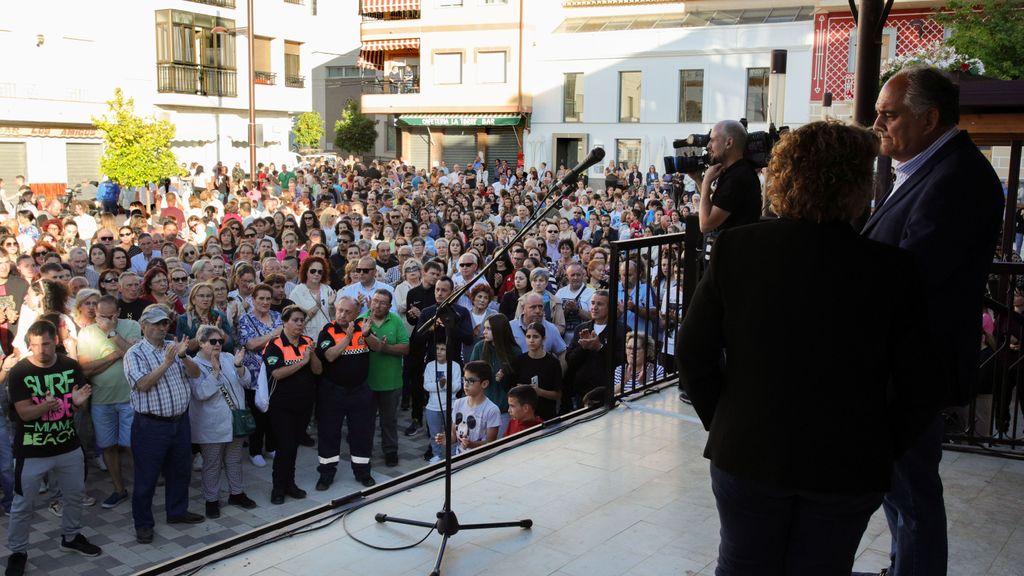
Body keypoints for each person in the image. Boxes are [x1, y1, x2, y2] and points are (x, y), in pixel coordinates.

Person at [677, 120, 937, 575]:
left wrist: (724, 421)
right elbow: (917, 383)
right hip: (846, 463)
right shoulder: (893, 270)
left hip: (748, 451)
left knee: (743, 566)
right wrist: (880, 445)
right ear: (859, 186)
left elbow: (693, 354)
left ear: (784, 178)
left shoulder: (738, 248)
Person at [861, 66, 1005, 576]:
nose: (878, 122)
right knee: (902, 492)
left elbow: (912, 275)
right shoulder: (929, 168)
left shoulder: (956, 178)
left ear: (931, 118)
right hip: (906, 364)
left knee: (912, 491)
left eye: (889, 113)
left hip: (914, 368)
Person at [5, 320, 100, 576]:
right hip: (32, 451)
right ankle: (18, 551)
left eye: (45, 344)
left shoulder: (69, 366)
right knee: (23, 504)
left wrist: (78, 403)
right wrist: (48, 406)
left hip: (67, 446)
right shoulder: (20, 372)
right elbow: (24, 413)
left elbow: (74, 402)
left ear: (55, 342)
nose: (40, 350)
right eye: (34, 345)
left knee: (75, 495)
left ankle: (71, 536)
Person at [124, 305, 204, 544]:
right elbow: (143, 384)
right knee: (146, 477)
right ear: (143, 325)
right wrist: (167, 362)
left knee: (180, 470)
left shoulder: (174, 347)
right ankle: (143, 523)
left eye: (165, 324)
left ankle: (177, 511)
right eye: (157, 323)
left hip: (179, 422)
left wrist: (182, 356)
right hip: (151, 425)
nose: (161, 328)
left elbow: (196, 373)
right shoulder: (135, 353)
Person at [77, 295, 140, 509]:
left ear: (118, 313)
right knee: (109, 447)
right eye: (101, 317)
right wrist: (115, 355)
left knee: (132, 445)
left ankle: (141, 488)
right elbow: (86, 369)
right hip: (101, 402)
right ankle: (119, 489)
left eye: (110, 317)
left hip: (128, 399)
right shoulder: (86, 333)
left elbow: (134, 354)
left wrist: (112, 333)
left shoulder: (131, 325)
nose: (104, 321)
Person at [188, 324, 256, 519]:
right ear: (201, 343)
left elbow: (246, 382)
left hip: (235, 421)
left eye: (220, 341)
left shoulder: (228, 358)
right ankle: (211, 500)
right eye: (213, 341)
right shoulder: (195, 364)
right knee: (212, 463)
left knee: (234, 460)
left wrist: (239, 366)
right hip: (211, 425)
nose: (218, 344)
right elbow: (200, 393)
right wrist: (215, 373)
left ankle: (237, 493)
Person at [262, 305, 321, 504]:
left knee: (294, 447)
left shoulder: (308, 342)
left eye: (302, 320)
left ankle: (290, 484)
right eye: (295, 320)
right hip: (282, 406)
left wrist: (311, 355)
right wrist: (302, 362)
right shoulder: (275, 345)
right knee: (284, 446)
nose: (299, 324)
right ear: (285, 322)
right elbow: (277, 373)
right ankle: (278, 488)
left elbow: (318, 370)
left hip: (304, 404)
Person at [315, 296, 376, 489]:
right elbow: (330, 356)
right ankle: (326, 474)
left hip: (359, 390)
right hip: (333, 391)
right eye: (339, 310)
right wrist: (348, 338)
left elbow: (377, 348)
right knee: (329, 432)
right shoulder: (327, 331)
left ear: (356, 314)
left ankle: (362, 472)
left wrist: (367, 335)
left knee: (361, 432)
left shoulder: (363, 327)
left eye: (347, 311)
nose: (342, 314)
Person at [361, 289, 410, 467]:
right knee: (365, 421)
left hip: (391, 382)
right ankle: (363, 452)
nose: (378, 305)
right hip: (366, 383)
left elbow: (405, 348)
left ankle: (390, 451)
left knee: (389, 421)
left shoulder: (395, 320)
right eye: (375, 301)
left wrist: (385, 348)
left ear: (390, 306)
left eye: (382, 302)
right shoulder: (361, 321)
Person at [687, 120, 762, 235]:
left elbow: (705, 225)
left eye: (712, 140)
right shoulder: (738, 172)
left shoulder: (737, 178)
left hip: (733, 250)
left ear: (729, 143)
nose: (708, 146)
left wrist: (707, 181)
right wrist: (698, 179)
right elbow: (714, 206)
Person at [236, 284, 281, 467]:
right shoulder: (245, 319)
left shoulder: (278, 316)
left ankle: (271, 447)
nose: (265, 302)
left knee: (274, 413)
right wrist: (273, 335)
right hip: (254, 375)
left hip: (276, 373)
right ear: (253, 300)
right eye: (260, 298)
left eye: (268, 298)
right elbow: (251, 344)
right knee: (258, 415)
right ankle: (255, 450)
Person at [565, 290, 626, 410]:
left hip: (607, 391)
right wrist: (583, 348)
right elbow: (570, 360)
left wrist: (600, 347)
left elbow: (622, 362)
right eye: (592, 303)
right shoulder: (581, 328)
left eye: (600, 304)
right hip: (582, 392)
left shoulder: (621, 330)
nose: (594, 307)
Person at [434, 361, 499, 456]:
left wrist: (471, 445)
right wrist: (446, 439)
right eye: (464, 379)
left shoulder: (492, 410)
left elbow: (490, 443)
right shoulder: (458, 403)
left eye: (471, 381)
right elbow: (454, 435)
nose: (465, 384)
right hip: (460, 456)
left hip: (481, 460)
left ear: (484, 384)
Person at [510, 322, 562, 421]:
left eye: (535, 337)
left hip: (546, 414)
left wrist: (539, 392)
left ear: (543, 339)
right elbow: (512, 388)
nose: (531, 340)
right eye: (528, 337)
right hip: (524, 416)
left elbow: (558, 394)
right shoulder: (519, 361)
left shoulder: (553, 362)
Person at [423, 341, 462, 463]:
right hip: (433, 407)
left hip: (450, 406)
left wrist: (444, 385)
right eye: (437, 348)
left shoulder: (454, 366)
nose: (439, 351)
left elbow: (457, 387)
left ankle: (453, 454)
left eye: (443, 349)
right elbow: (427, 386)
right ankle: (437, 455)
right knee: (435, 433)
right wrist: (441, 385)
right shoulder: (430, 366)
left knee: (451, 431)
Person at [288, 256, 336, 340]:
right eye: (313, 271)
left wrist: (331, 305)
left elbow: (333, 317)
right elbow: (294, 321)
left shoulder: (327, 289)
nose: (316, 274)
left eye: (320, 272)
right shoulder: (296, 292)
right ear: (306, 271)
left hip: (328, 337)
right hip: (308, 340)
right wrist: (316, 307)